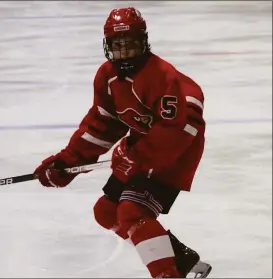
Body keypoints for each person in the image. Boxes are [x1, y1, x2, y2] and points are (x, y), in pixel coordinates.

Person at [34, 7, 211, 278]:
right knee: (106, 212)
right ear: (108, 46)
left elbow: (180, 127)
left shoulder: (160, 76)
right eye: (118, 46)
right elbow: (101, 124)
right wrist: (68, 161)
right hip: (142, 144)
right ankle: (179, 259)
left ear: (144, 42)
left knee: (131, 210)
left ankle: (167, 273)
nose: (125, 52)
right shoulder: (107, 77)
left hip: (178, 147)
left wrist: (138, 156)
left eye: (131, 44)